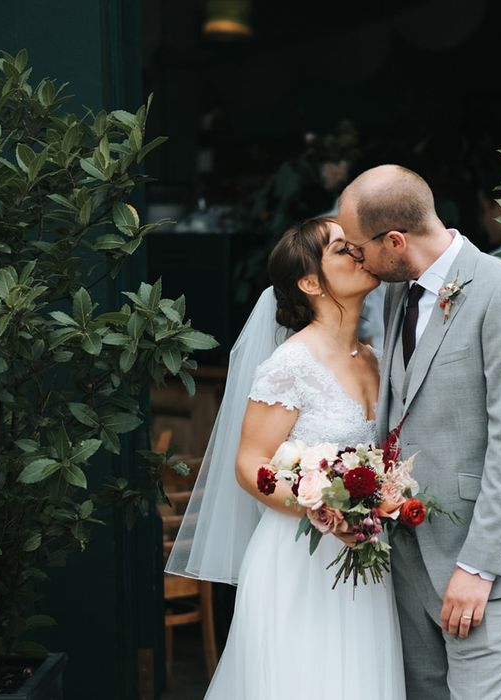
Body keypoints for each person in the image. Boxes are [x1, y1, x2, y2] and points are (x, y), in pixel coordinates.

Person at [337, 165, 501, 700]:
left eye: (357, 247)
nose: (354, 258)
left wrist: (479, 567)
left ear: (395, 240)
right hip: (405, 553)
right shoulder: (395, 294)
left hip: (477, 561)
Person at [166, 217, 405, 699]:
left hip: (361, 556)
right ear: (311, 282)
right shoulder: (291, 364)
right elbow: (249, 464)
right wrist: (320, 507)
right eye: (343, 250)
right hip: (299, 560)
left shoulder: (375, 358)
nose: (360, 254)